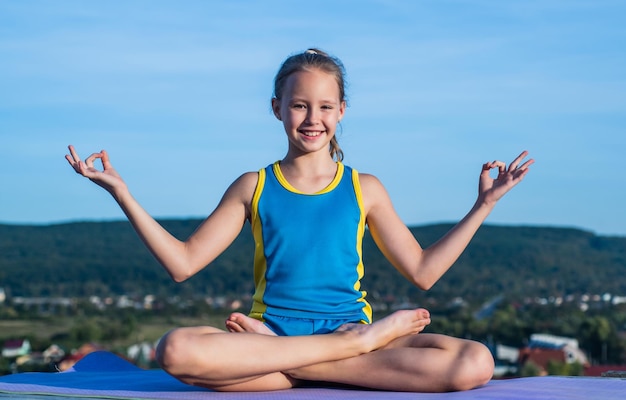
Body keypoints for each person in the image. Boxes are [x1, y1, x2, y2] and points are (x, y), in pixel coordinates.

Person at [65, 48, 533, 392]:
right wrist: (122, 192)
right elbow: (183, 263)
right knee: (175, 350)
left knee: (475, 361)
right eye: (299, 105)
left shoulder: (364, 188)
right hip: (274, 338)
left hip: (330, 336)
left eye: (326, 106)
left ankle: (316, 364)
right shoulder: (254, 186)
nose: (313, 118)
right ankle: (345, 356)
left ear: (342, 111)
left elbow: (424, 272)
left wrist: (484, 206)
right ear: (277, 108)